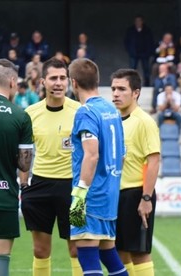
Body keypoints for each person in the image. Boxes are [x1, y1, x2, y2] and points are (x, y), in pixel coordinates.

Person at [19, 59, 83, 276]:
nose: (58, 83)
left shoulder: (80, 111)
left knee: (77, 249)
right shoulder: (30, 112)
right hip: (39, 185)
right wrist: (24, 183)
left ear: (69, 81)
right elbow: (24, 151)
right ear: (43, 81)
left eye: (62, 78)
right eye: (53, 78)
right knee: (40, 250)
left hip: (73, 189)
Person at [68, 58, 127, 276]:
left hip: (88, 195)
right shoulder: (112, 110)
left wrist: (80, 193)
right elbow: (122, 155)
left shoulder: (85, 112)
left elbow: (91, 155)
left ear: (73, 83)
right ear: (97, 80)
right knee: (108, 253)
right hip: (110, 194)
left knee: (86, 255)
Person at [110, 69, 161, 276]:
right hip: (116, 195)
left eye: (122, 89)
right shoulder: (113, 119)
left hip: (137, 194)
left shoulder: (144, 121)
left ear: (136, 93)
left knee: (139, 252)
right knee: (120, 252)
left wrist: (146, 198)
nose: (115, 93)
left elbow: (154, 160)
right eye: (113, 89)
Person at [0, 59, 33, 276]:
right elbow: (24, 163)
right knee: (1, 258)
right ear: (13, 82)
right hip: (5, 196)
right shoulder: (21, 115)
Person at [124, 16, 155, 86]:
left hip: (145, 53)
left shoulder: (147, 30)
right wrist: (129, 50)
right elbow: (126, 41)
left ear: (142, 21)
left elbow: (151, 42)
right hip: (134, 53)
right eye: (136, 21)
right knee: (132, 70)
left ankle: (147, 84)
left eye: (139, 21)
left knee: (146, 69)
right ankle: (132, 84)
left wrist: (149, 52)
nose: (138, 22)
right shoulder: (130, 30)